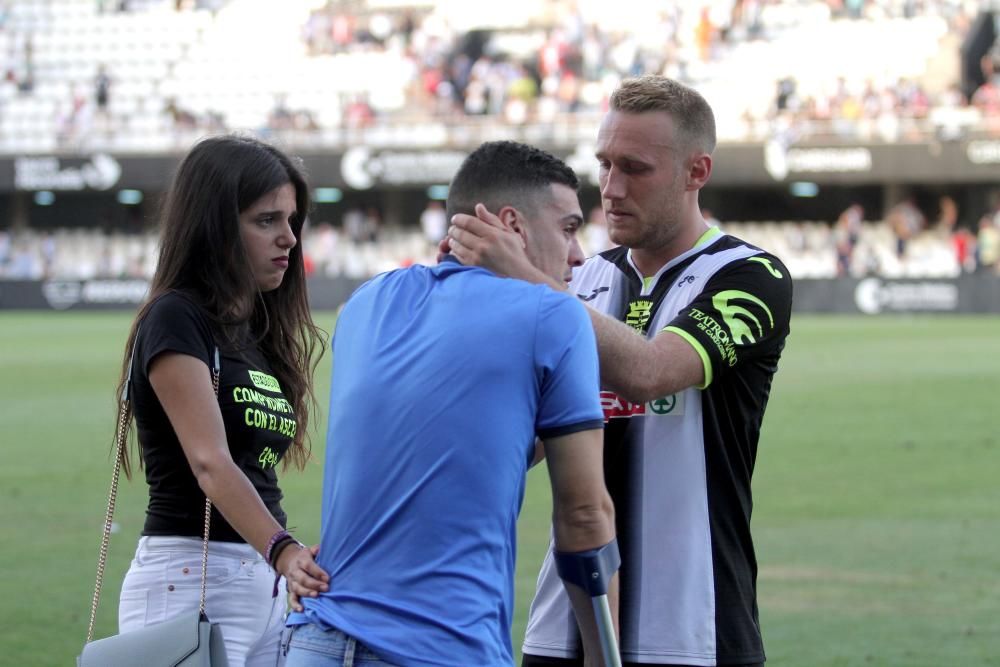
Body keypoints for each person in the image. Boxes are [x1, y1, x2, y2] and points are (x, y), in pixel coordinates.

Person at [448, 75, 794, 667]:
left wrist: (523, 278)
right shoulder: (578, 279)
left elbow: (652, 371)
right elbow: (513, 443)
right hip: (562, 623)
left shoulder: (749, 276)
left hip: (693, 627)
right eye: (604, 165)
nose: (611, 188)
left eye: (635, 168)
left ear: (696, 172)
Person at [284, 141, 619, 666]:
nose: (579, 255)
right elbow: (583, 514)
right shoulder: (555, 315)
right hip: (442, 647)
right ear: (512, 226)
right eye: (570, 229)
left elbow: (450, 437)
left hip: (315, 641)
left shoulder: (366, 303)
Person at [113, 134, 330, 666]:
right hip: (189, 578)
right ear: (215, 226)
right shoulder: (176, 318)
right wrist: (283, 550)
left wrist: (280, 558)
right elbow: (210, 461)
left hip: (259, 580)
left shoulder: (253, 333)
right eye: (266, 220)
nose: (288, 238)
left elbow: (255, 473)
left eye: (292, 221)